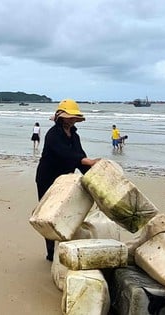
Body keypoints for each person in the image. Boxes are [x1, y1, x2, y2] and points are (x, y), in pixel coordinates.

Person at [35, 99, 100, 261]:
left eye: (74, 117)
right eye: (68, 116)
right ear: (61, 117)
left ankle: (63, 248)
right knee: (48, 215)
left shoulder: (74, 136)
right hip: (47, 178)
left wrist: (93, 173)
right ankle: (51, 253)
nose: (71, 119)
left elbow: (80, 156)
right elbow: (66, 154)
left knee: (65, 212)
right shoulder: (53, 135)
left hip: (65, 181)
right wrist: (87, 161)